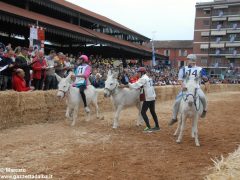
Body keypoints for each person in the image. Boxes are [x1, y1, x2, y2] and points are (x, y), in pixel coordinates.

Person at [169, 54, 208, 126]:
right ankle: (174, 117)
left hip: (196, 88)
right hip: (186, 88)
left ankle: (205, 110)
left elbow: (205, 79)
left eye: (188, 59)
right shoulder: (183, 69)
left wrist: (206, 84)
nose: (187, 61)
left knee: (202, 97)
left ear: (193, 60)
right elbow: (180, 79)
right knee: (177, 101)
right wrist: (183, 86)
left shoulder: (200, 69)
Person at [120, 67, 160, 132]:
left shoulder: (143, 78)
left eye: (138, 72)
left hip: (148, 98)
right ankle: (157, 126)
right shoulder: (148, 78)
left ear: (142, 73)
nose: (137, 74)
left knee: (143, 112)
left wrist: (124, 85)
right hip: (152, 97)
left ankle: (148, 127)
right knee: (152, 112)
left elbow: (134, 85)